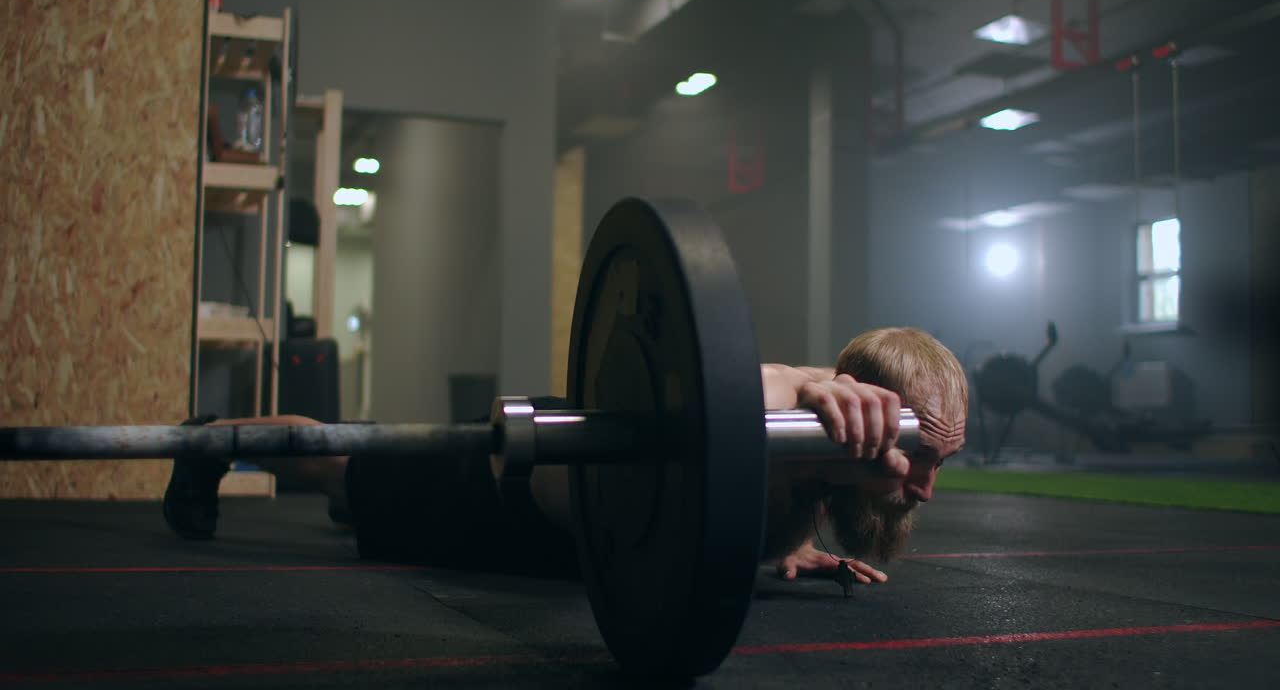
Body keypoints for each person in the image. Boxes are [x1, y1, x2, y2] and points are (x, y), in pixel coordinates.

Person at [165, 327, 967, 586]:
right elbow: (745, 391)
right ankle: (211, 439)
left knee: (351, 501)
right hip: (512, 485)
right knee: (341, 469)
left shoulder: (838, 464)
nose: (926, 489)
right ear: (866, 405)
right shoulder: (792, 405)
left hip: (551, 547)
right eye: (920, 457)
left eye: (943, 465)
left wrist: (792, 543)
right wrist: (800, 395)